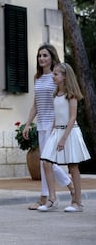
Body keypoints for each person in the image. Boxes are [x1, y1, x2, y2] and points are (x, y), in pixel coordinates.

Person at [22, 43, 74, 210]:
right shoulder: (37, 78)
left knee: (47, 161)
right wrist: (28, 124)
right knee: (45, 161)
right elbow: (36, 104)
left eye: (45, 55)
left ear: (52, 57)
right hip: (42, 124)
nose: (41, 58)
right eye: (39, 56)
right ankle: (50, 194)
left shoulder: (56, 76)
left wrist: (56, 124)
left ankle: (48, 196)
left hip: (54, 124)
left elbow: (60, 101)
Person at [38, 63, 91, 212]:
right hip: (57, 131)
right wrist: (54, 132)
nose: (53, 77)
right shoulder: (56, 94)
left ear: (65, 77)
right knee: (46, 161)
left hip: (70, 132)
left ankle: (78, 202)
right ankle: (52, 199)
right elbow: (58, 115)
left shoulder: (71, 94)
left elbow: (72, 117)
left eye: (56, 74)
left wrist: (63, 139)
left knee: (73, 167)